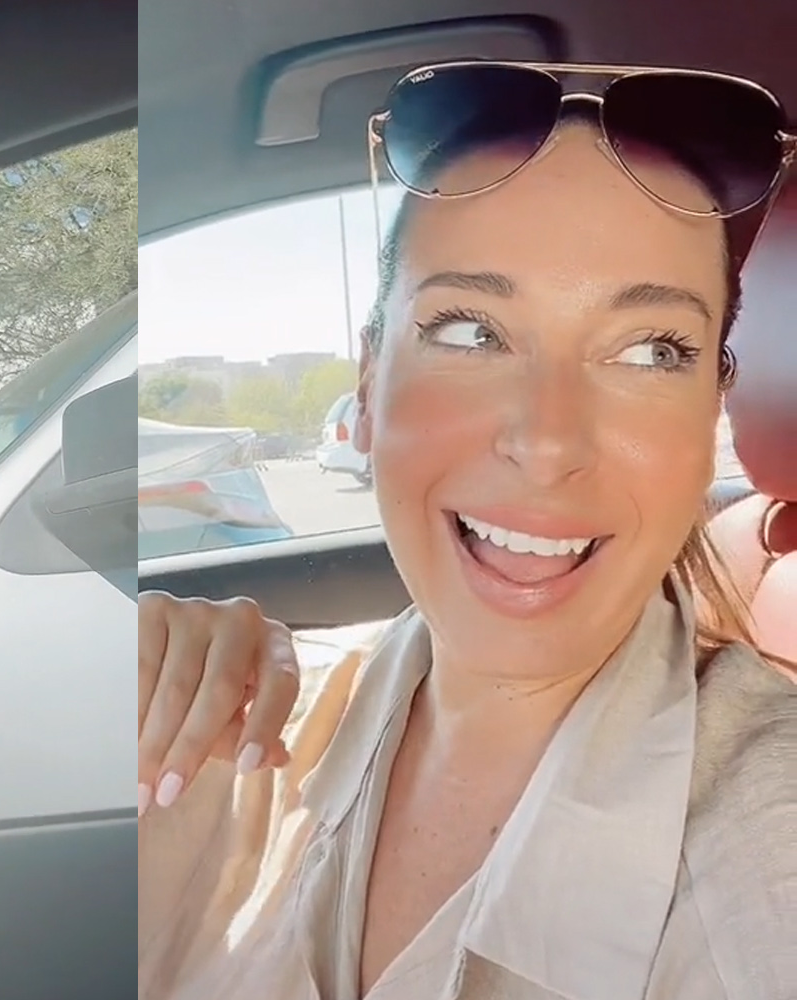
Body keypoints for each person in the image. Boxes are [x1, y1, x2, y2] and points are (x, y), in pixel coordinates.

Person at [138, 62, 797, 998]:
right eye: (469, 332)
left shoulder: (764, 859)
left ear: (709, 422)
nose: (547, 441)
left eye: (655, 351)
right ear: (367, 389)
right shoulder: (240, 735)